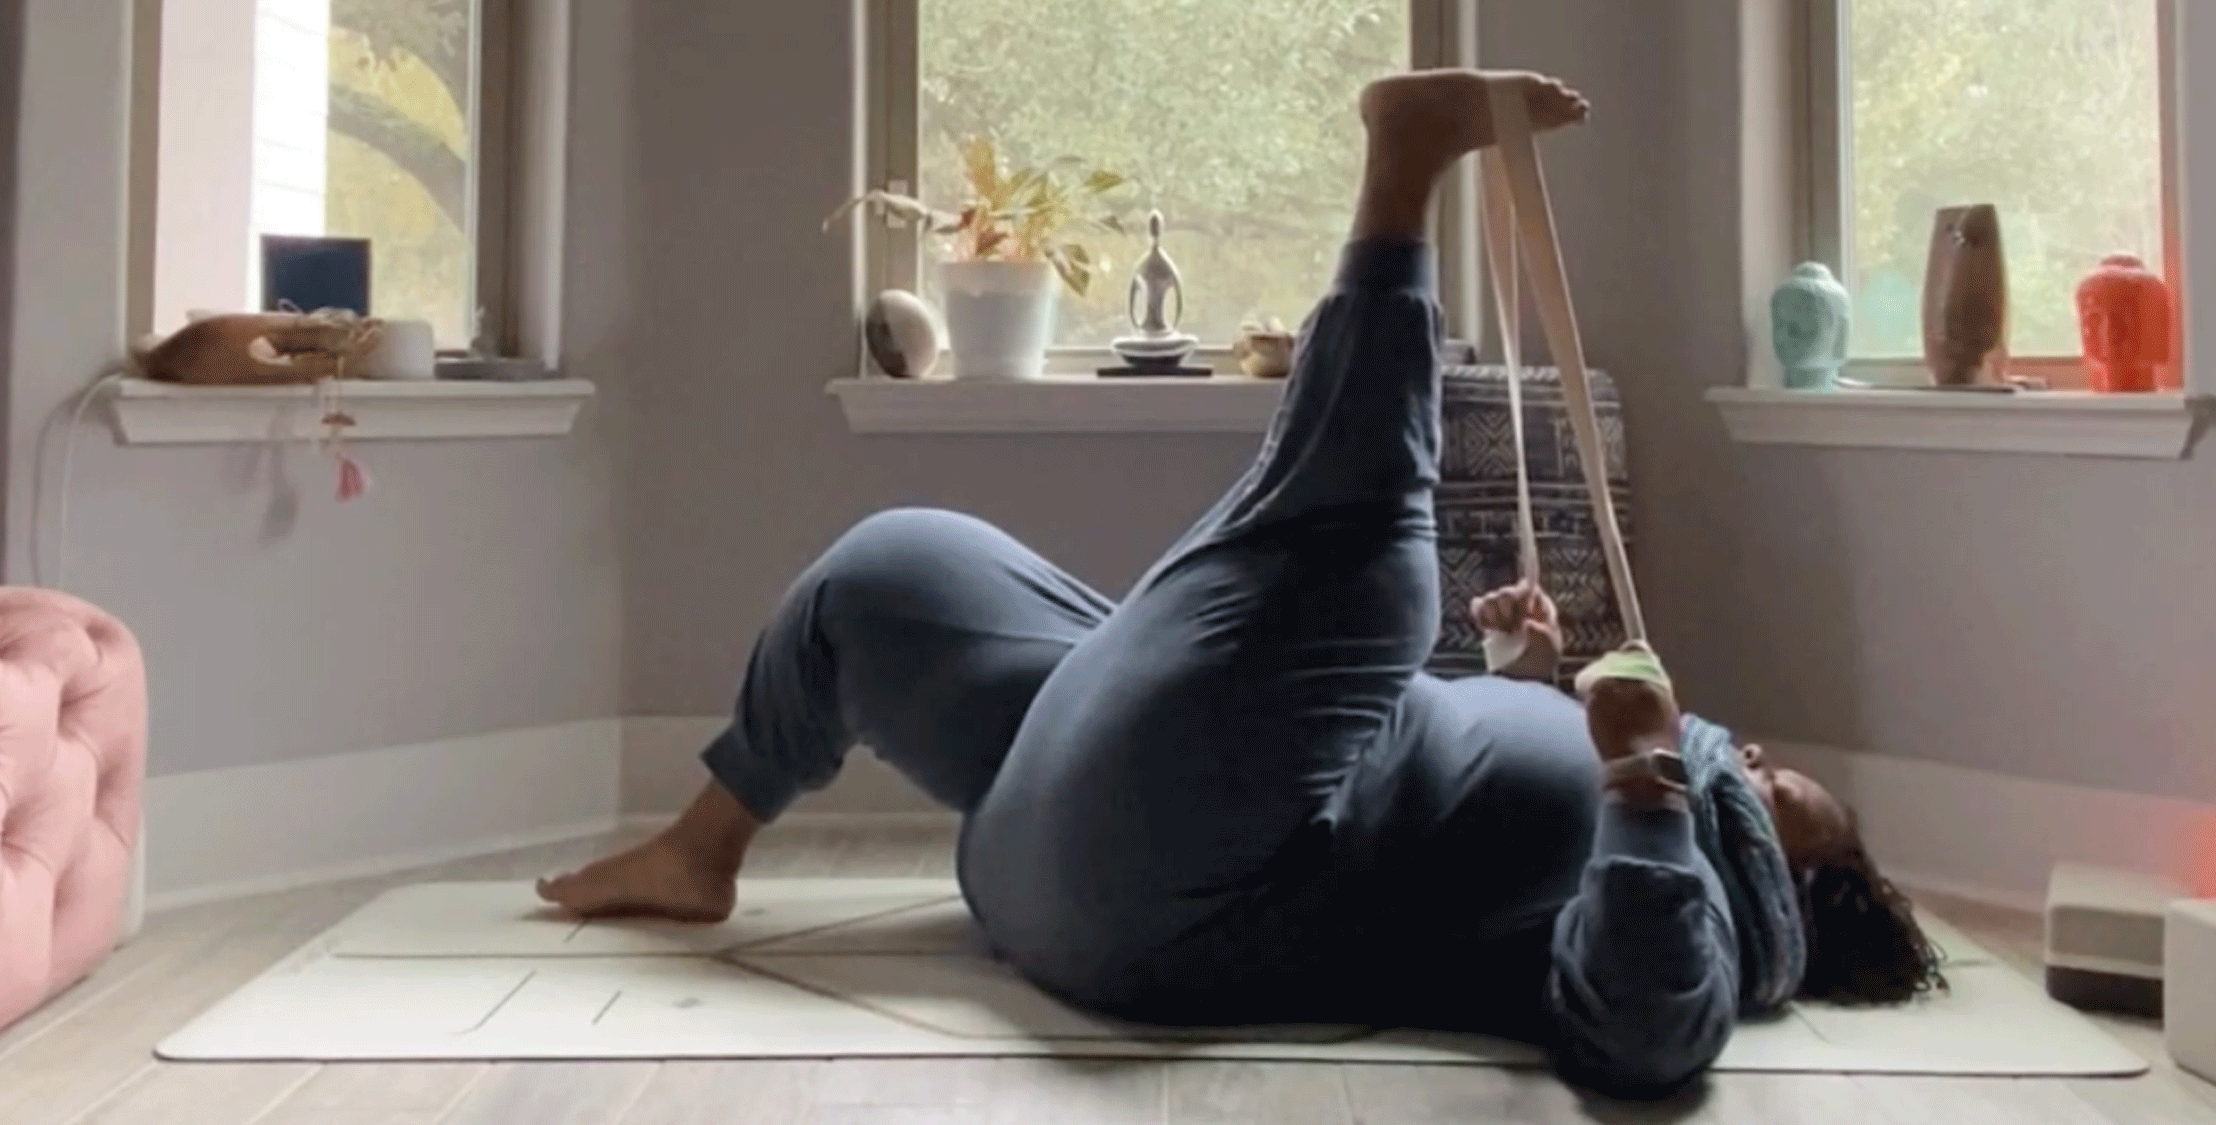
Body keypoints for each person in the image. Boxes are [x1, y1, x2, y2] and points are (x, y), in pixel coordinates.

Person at [537, 70, 1945, 1097]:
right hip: (1078, 840)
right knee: (899, 567)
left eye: (1775, 790)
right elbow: (1440, 796)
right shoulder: (1653, 814)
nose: (1750, 759)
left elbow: (1646, 1038)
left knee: (1362, 570)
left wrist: (1648, 775)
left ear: (1799, 884)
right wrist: (1512, 682)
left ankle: (1401, 174)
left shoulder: (1717, 920)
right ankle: (700, 848)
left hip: (1166, 897)